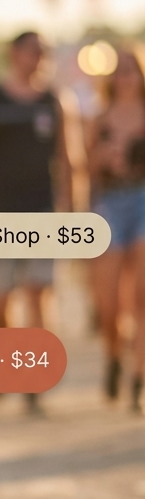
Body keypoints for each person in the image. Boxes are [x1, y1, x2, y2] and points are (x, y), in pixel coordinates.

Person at [0, 32, 86, 410]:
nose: (40, 57)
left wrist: (75, 209)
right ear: (14, 53)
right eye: (34, 50)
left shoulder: (56, 101)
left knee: (39, 291)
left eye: (45, 52)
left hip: (43, 212)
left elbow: (70, 158)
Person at [86, 46, 145, 412]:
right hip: (109, 203)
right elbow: (86, 168)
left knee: (141, 298)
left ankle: (138, 377)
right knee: (110, 305)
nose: (125, 77)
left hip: (142, 200)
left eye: (131, 70)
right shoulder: (100, 118)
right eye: (119, 71)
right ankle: (113, 356)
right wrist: (105, 158)